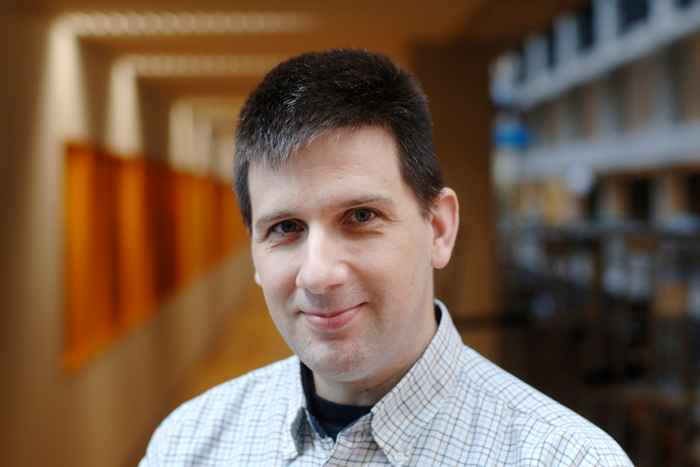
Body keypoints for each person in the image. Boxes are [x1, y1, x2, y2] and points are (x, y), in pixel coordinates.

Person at [140, 49, 632, 466]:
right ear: (254, 251)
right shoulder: (186, 446)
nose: (319, 274)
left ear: (438, 228)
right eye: (285, 228)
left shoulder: (565, 458)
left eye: (360, 217)